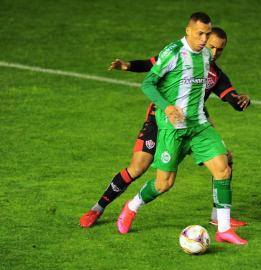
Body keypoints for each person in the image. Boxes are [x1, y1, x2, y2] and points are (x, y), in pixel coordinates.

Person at [79, 26, 251, 230]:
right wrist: (128, 66)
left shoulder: (214, 74)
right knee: (138, 167)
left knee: (224, 160)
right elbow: (153, 64)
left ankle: (218, 216)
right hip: (159, 119)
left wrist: (241, 100)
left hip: (191, 124)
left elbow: (230, 97)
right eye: (211, 46)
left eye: (219, 49)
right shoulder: (180, 54)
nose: (214, 53)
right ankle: (98, 208)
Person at [116, 12, 248, 245]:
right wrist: (166, 107)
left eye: (207, 34)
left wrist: (235, 101)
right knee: (164, 184)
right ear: (188, 31)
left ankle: (224, 229)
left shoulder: (207, 55)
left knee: (223, 168)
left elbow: (210, 89)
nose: (204, 39)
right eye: (200, 33)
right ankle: (131, 206)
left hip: (198, 126)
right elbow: (148, 83)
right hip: (173, 128)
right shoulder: (173, 52)